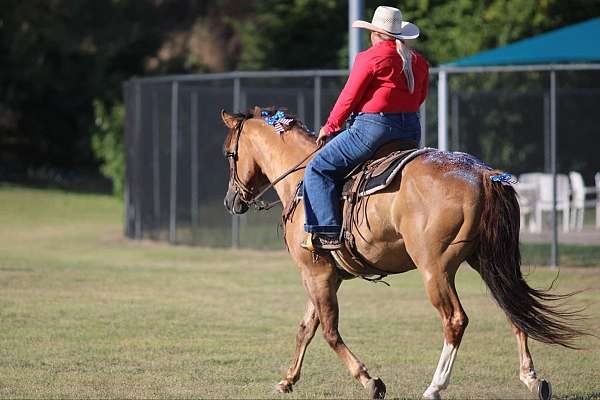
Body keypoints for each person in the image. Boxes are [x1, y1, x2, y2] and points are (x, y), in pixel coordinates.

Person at [302, 5, 429, 251]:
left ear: (375, 34)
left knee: (318, 168)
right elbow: (420, 96)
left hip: (373, 129)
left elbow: (349, 97)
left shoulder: (370, 57)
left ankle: (327, 233)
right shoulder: (419, 61)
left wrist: (331, 126)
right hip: (411, 130)